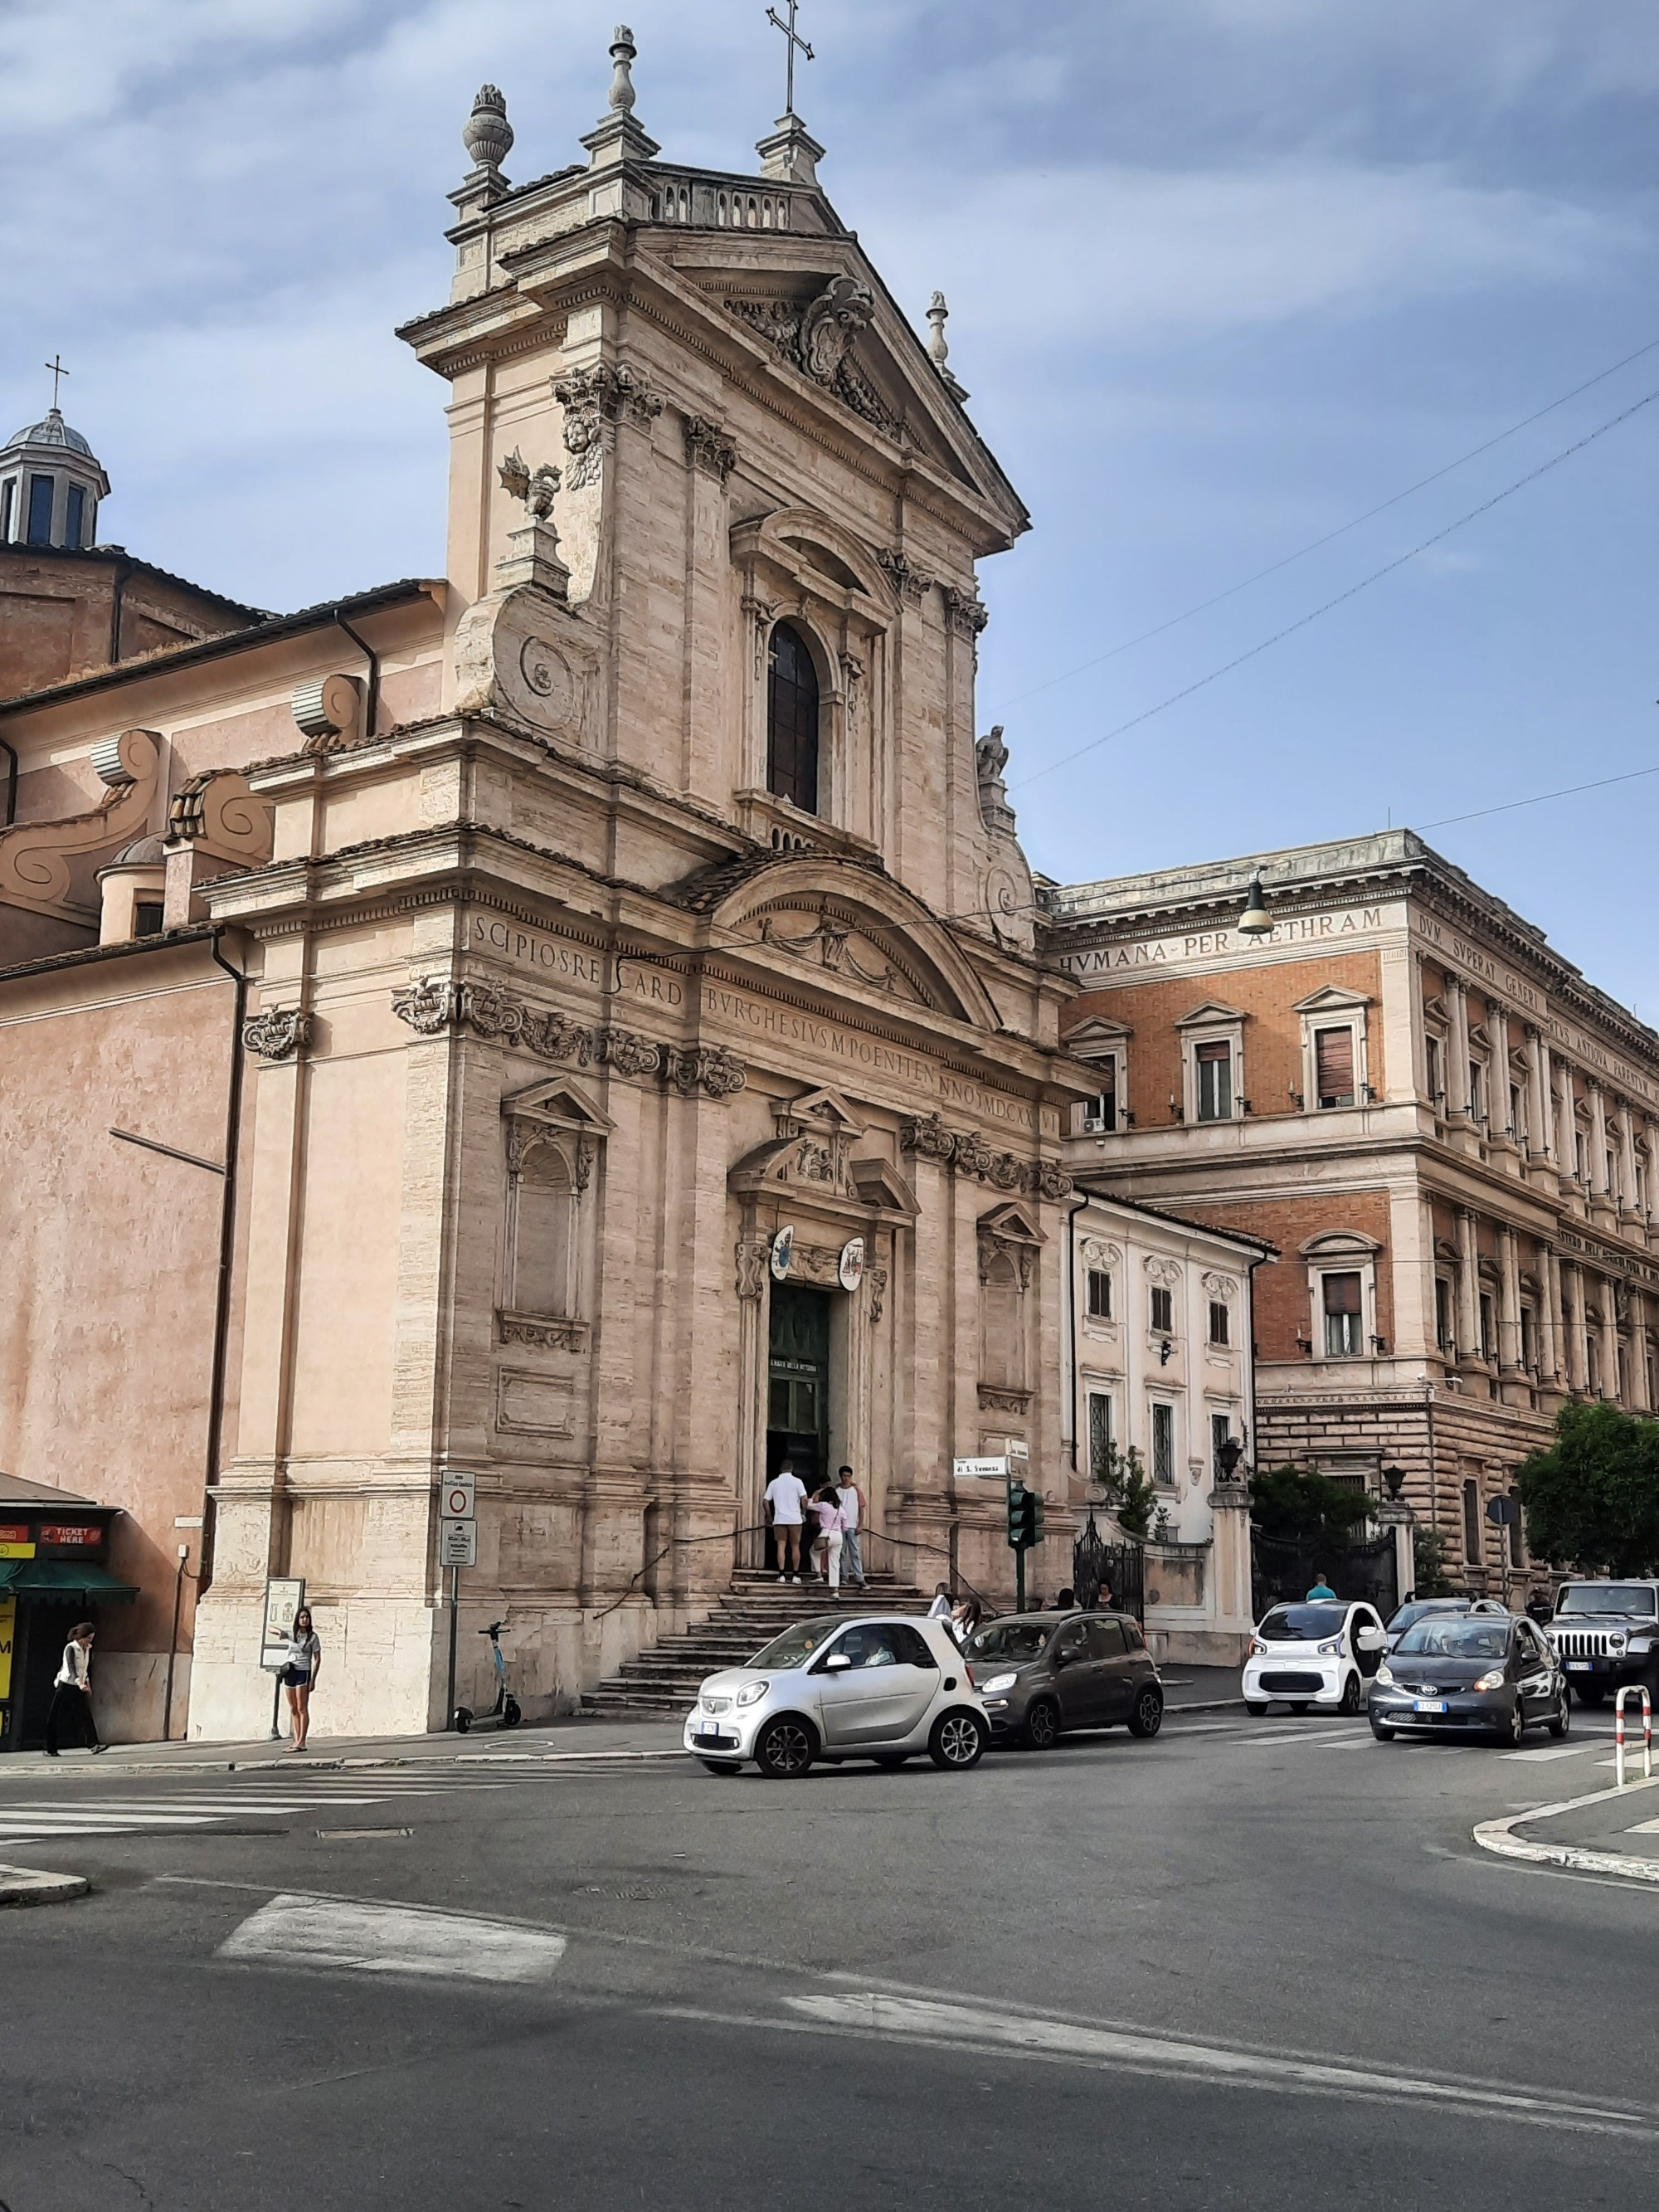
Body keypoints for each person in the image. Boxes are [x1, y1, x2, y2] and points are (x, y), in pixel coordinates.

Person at [44, 1621, 104, 1756]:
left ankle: (93, 1745)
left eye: (92, 1638)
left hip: (79, 1685)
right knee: (55, 1715)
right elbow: (71, 1668)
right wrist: (80, 1683)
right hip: (66, 1684)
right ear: (82, 1636)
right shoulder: (71, 1648)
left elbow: (84, 1668)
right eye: (88, 1638)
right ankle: (50, 1748)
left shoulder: (87, 1649)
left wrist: (87, 1683)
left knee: (85, 1714)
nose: (90, 1641)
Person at [280, 1605, 323, 1752]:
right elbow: (271, 1629)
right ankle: (296, 1740)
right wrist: (280, 1633)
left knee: (301, 1707)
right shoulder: (293, 1634)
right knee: (292, 1708)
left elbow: (317, 1659)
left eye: (307, 1617)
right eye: (302, 1617)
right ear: (298, 1619)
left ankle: (302, 1741)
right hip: (290, 1671)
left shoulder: (312, 1637)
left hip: (303, 1671)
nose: (304, 1619)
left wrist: (313, 1679)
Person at [765, 1462, 809, 1583]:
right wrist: (803, 1514)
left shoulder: (774, 1483)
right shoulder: (798, 1482)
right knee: (795, 1546)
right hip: (795, 1519)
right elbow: (804, 1499)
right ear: (792, 1468)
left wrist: (769, 1516)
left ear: (780, 1469)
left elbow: (765, 1501)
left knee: (781, 1546)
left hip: (779, 1519)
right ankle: (795, 1575)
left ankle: (781, 1575)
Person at [809, 1485, 846, 1596]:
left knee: (814, 1552)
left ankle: (819, 1575)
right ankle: (835, 1590)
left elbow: (809, 1505)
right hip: (838, 1535)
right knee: (834, 1562)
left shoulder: (823, 1505)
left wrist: (814, 1495)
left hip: (826, 1533)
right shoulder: (841, 1508)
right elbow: (846, 1526)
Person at [834, 1464, 867, 1588]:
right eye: (844, 1476)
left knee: (855, 1552)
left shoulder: (856, 1491)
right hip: (840, 1526)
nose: (846, 1478)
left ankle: (859, 1577)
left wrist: (861, 1524)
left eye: (848, 1476)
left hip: (853, 1525)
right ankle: (844, 1577)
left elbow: (861, 1507)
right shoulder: (836, 1491)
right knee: (842, 1552)